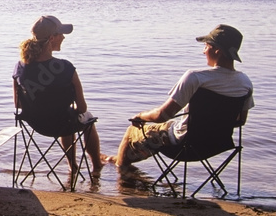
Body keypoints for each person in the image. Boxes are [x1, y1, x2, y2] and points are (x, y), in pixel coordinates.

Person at [113, 24, 254, 171]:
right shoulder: (245, 83)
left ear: (217, 50)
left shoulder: (195, 78)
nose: (203, 51)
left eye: (206, 46)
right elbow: (240, 120)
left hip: (184, 144)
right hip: (216, 145)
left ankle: (121, 173)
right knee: (166, 127)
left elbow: (163, 115)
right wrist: (212, 126)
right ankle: (119, 162)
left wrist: (141, 116)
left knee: (133, 130)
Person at [13, 15, 104, 177]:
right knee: (84, 118)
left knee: (65, 115)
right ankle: (97, 166)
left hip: (35, 124)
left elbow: (18, 104)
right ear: (52, 38)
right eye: (61, 34)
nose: (63, 37)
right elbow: (82, 108)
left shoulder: (20, 67)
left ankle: (73, 166)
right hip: (62, 123)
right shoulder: (66, 67)